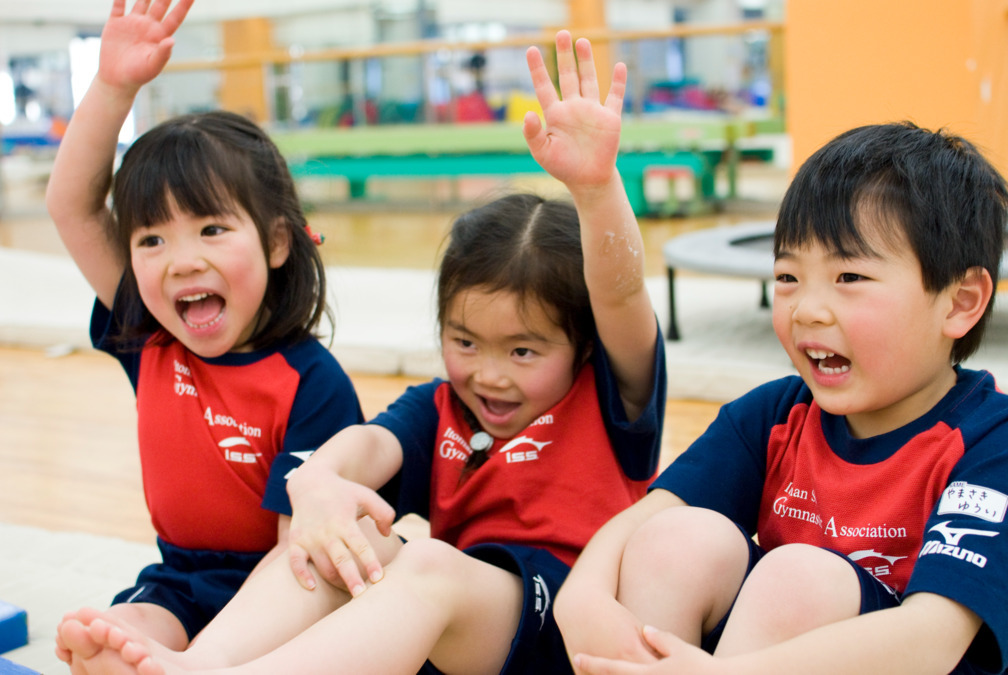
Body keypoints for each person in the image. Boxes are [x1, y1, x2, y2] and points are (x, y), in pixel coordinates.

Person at [56, 28, 667, 675]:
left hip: (562, 625)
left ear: (582, 346)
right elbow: (368, 445)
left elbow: (622, 292)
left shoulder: (608, 395)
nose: (488, 373)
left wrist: (597, 191)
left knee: (424, 558)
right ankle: (204, 664)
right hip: (457, 626)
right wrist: (319, 481)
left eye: (522, 351)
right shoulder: (443, 407)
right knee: (353, 534)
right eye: (464, 342)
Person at [554, 121, 1008, 675]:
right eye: (788, 276)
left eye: (849, 276)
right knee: (675, 539)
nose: (807, 310)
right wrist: (581, 597)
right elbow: (643, 521)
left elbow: (933, 638)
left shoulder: (990, 441)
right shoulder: (777, 417)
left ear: (960, 302)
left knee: (797, 576)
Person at [48, 0, 367, 669]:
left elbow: (300, 559)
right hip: (181, 582)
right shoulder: (150, 336)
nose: (182, 259)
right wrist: (112, 88)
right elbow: (73, 206)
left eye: (212, 229)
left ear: (278, 240)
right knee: (120, 632)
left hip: (290, 587)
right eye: (152, 238)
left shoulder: (312, 385)